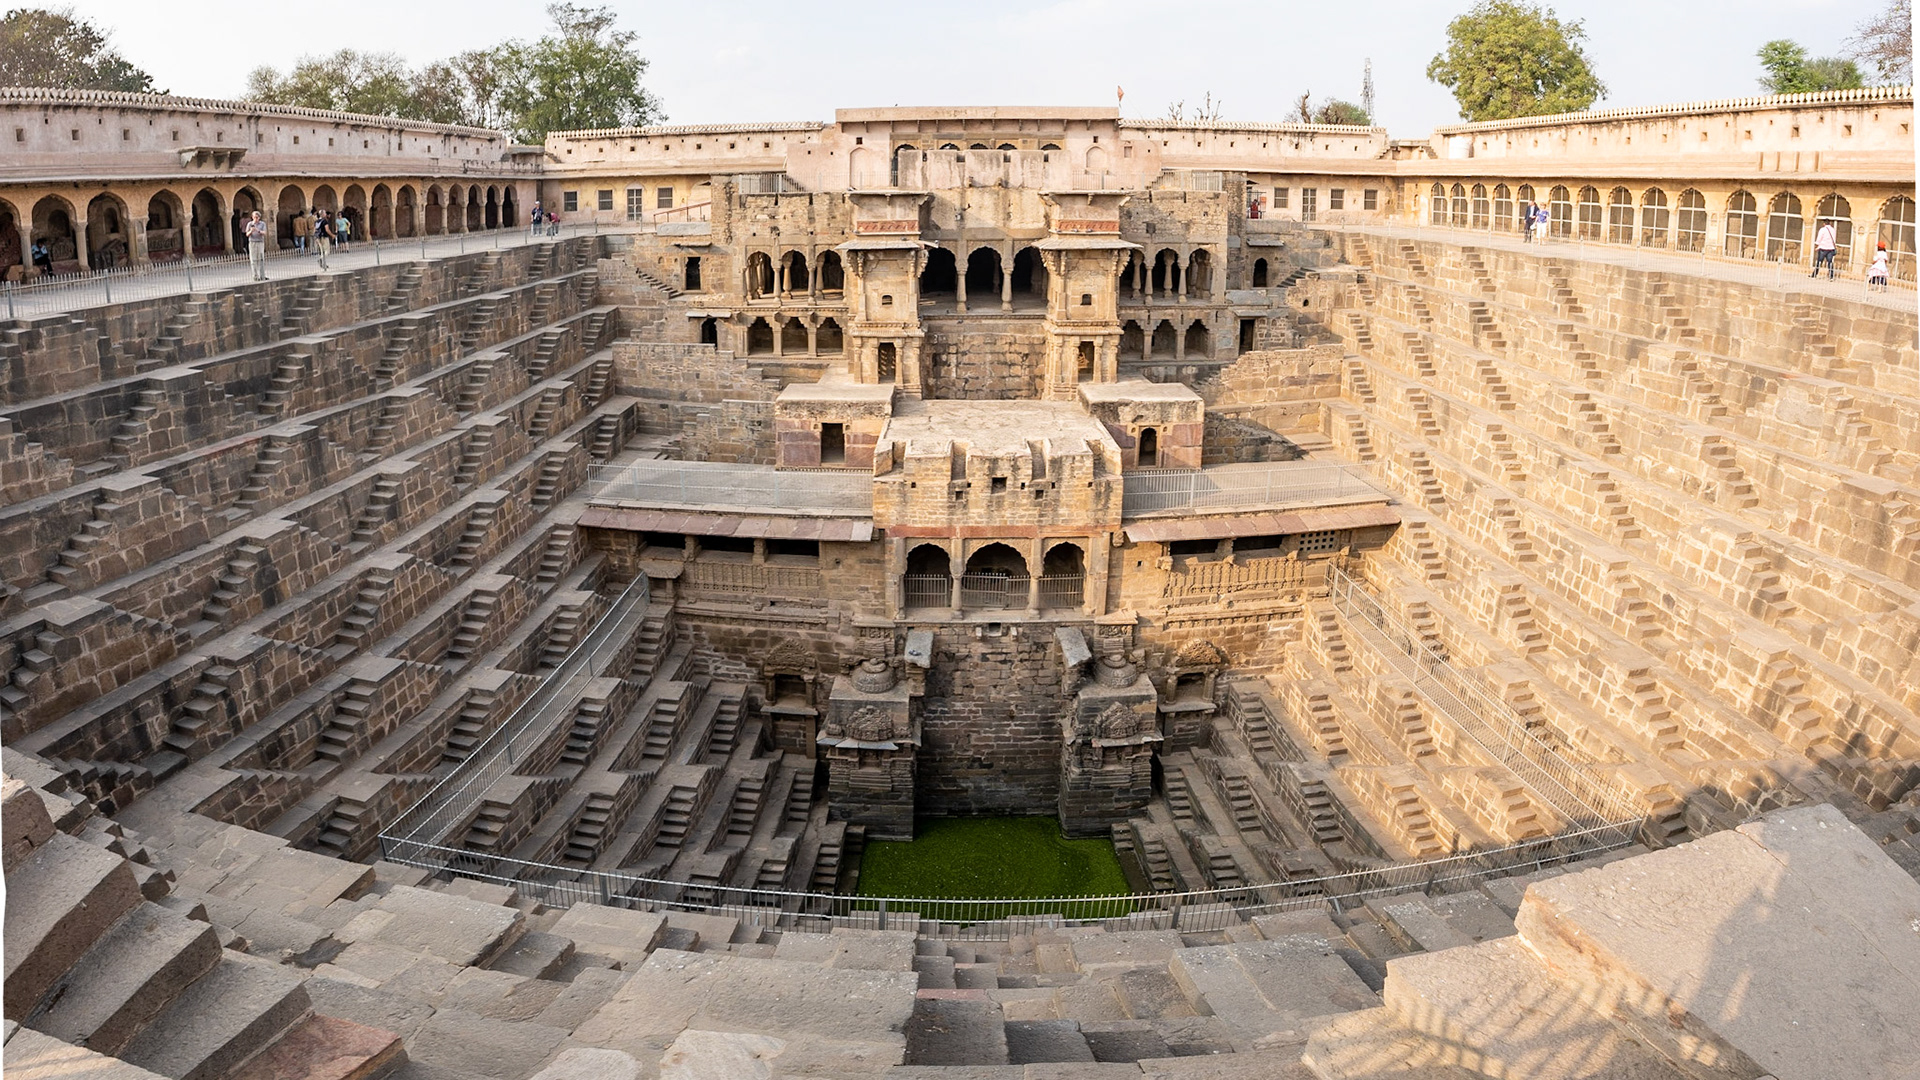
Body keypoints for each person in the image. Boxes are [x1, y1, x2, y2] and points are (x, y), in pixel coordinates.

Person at [243, 210, 269, 280]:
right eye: (254, 217)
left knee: (261, 259)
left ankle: (262, 276)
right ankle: (255, 276)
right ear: (252, 217)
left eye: (257, 217)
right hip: (252, 242)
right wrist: (251, 230)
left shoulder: (262, 224)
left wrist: (257, 230)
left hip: (260, 242)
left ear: (259, 218)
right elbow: (247, 234)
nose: (256, 219)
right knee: (253, 260)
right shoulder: (249, 224)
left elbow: (264, 233)